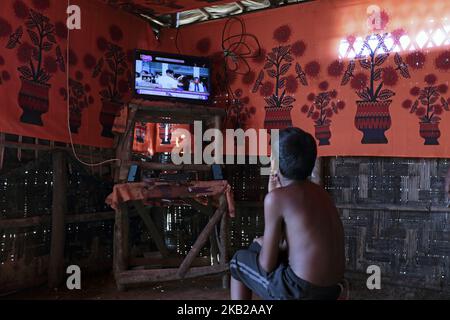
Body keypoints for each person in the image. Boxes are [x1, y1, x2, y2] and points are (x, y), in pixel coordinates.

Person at [230, 127, 345, 300]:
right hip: (332, 291)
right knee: (255, 248)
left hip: (300, 292)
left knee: (238, 262)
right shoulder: (321, 194)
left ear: (275, 162)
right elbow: (295, 243)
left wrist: (272, 195)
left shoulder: (276, 199)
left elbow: (266, 265)